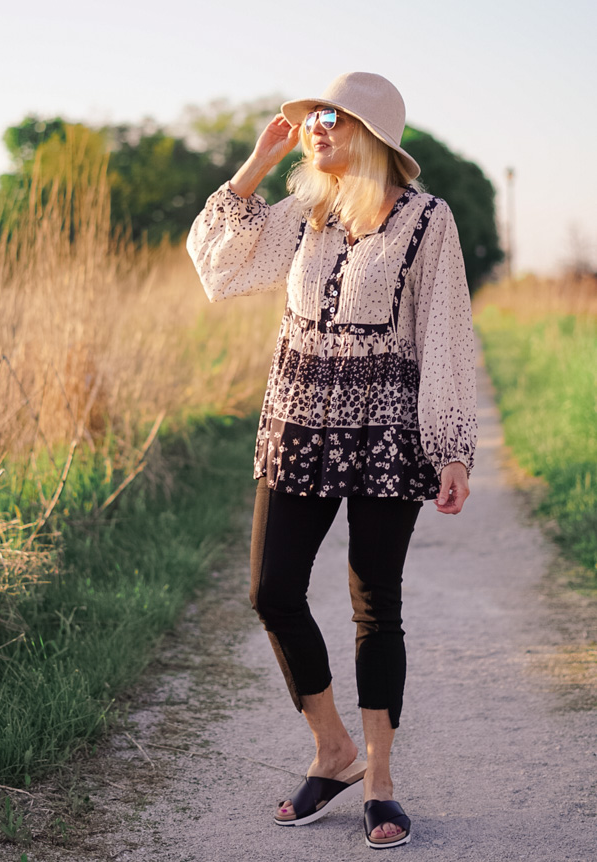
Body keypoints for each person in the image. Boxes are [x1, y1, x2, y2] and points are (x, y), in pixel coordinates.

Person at [187, 71, 476, 850]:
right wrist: (254, 163)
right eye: (313, 116)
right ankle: (333, 750)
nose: (316, 128)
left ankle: (379, 780)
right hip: (300, 418)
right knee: (271, 589)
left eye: (333, 119)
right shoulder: (306, 211)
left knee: (375, 601)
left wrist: (450, 447)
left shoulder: (427, 219)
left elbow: (445, 329)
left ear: (373, 134)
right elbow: (219, 269)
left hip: (388, 424)